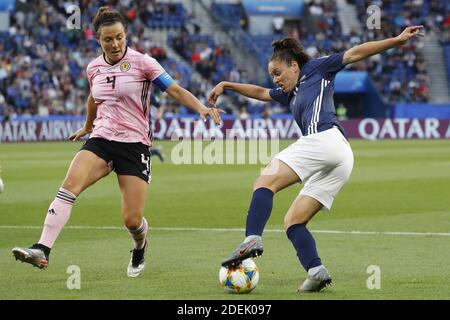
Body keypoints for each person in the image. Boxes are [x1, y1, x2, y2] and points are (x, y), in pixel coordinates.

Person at [208, 26, 424, 292]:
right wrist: (227, 85)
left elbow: (355, 53)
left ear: (295, 66)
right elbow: (261, 93)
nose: (275, 79)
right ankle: (316, 270)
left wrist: (397, 40)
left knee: (264, 182)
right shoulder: (289, 93)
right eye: (272, 75)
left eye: (278, 73)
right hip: (341, 155)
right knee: (293, 222)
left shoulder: (318, 68)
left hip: (323, 138)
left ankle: (252, 239)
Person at [12, 7, 224, 277]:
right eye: (108, 39)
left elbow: (174, 89)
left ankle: (140, 245)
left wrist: (201, 109)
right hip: (101, 139)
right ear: (98, 40)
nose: (115, 44)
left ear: (127, 36)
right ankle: (43, 249)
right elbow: (93, 97)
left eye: (119, 37)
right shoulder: (93, 67)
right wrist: (88, 126)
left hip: (134, 145)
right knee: (69, 186)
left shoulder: (143, 63)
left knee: (132, 220)